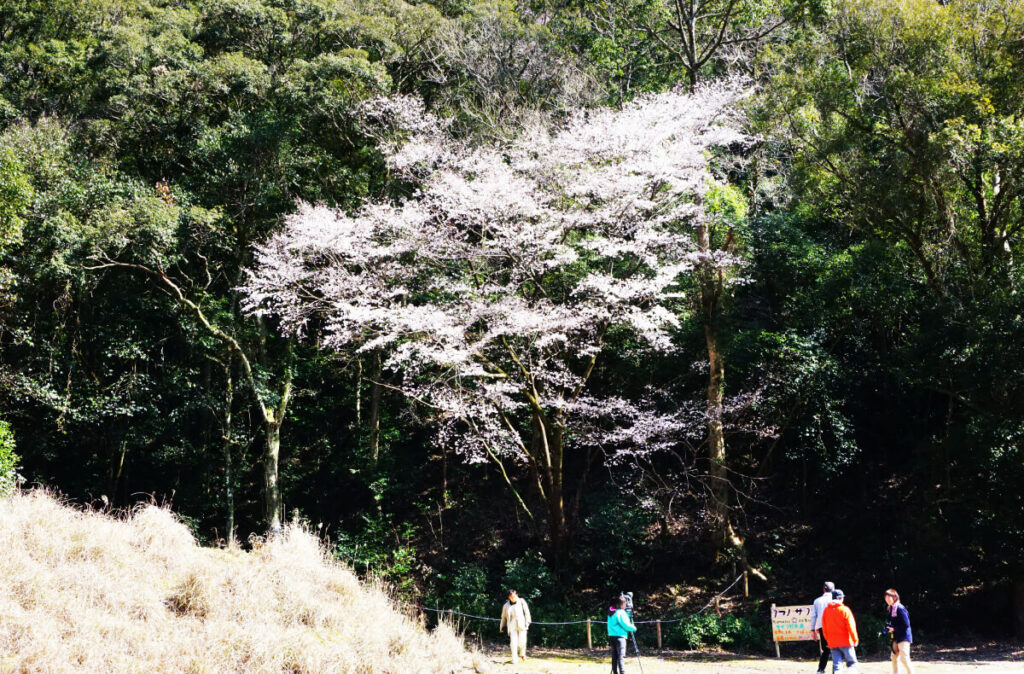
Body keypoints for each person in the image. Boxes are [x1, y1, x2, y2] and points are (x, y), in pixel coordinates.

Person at [821, 589, 859, 672]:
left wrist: (828, 639)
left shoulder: (826, 611)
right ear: (840, 598)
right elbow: (851, 626)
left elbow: (824, 628)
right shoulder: (845, 610)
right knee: (852, 663)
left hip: (833, 642)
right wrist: (855, 639)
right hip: (846, 641)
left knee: (837, 665)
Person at [884, 588, 914, 674]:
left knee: (904, 659)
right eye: (885, 598)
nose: (887, 599)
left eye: (889, 597)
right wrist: (890, 627)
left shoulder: (900, 608)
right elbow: (895, 622)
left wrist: (894, 629)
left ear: (895, 597)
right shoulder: (891, 608)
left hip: (904, 636)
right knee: (894, 657)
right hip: (896, 636)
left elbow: (906, 624)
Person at [810, 581, 836, 674]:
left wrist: (812, 630)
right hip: (835, 627)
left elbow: (813, 616)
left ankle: (821, 669)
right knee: (835, 649)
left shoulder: (817, 601)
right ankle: (836, 670)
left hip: (822, 627)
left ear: (823, 589)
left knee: (826, 649)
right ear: (833, 589)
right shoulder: (835, 600)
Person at [499, 589, 531, 664]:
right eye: (511, 597)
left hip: (522, 624)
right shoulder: (506, 606)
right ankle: (514, 659)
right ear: (509, 597)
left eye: (514, 596)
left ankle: (522, 654)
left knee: (522, 642)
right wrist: (502, 627)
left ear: (516, 595)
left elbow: (527, 612)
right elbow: (503, 617)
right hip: (512, 625)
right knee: (513, 643)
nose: (513, 598)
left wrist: (528, 622)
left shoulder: (522, 601)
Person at [607, 595, 636, 674]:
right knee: (621, 657)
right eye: (625, 604)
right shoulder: (621, 612)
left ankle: (615, 672)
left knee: (614, 657)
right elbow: (625, 625)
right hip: (620, 637)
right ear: (621, 604)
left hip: (612, 636)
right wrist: (633, 628)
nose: (626, 605)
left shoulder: (611, 612)